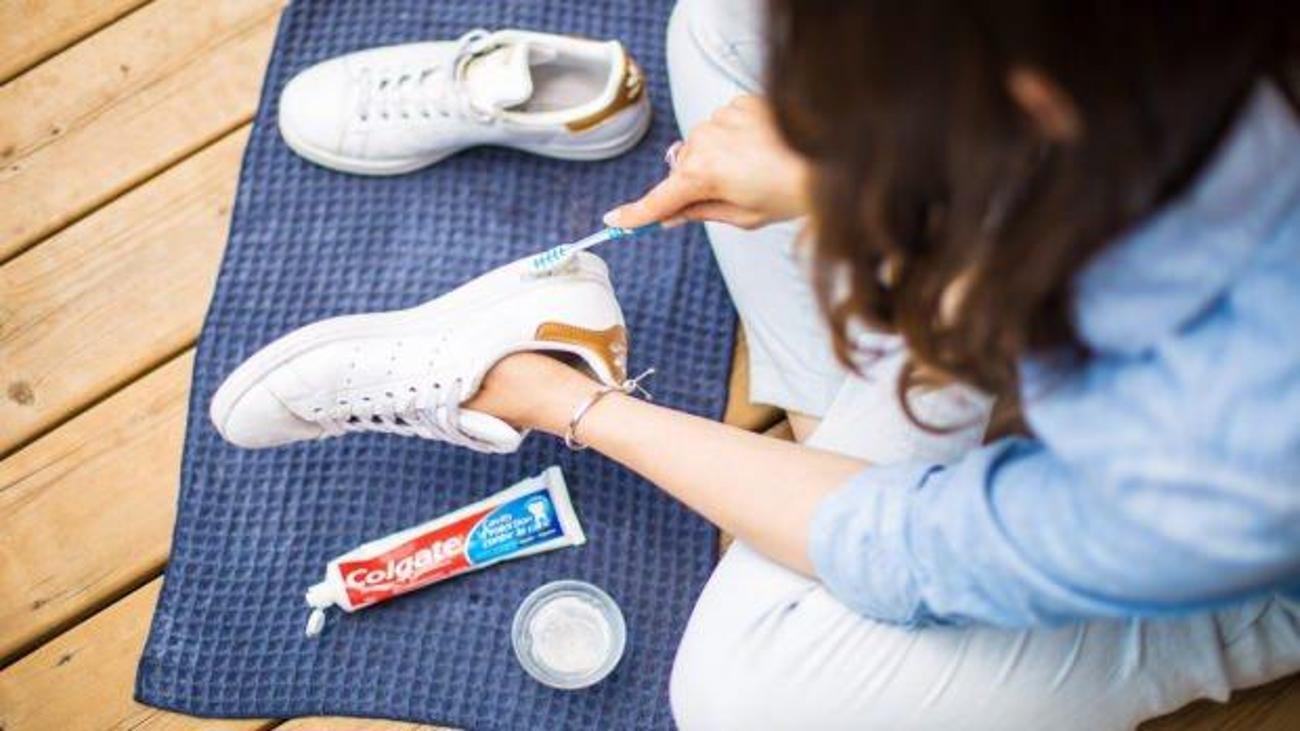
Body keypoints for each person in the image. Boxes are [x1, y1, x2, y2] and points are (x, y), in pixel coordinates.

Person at [463, 0, 1300, 727]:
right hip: (1092, 222)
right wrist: (844, 175)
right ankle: (846, 433)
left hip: (1203, 556)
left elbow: (909, 547)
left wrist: (573, 404)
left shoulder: (1225, 450)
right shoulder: (1186, 77)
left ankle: (844, 437)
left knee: (745, 700)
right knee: (728, 25)